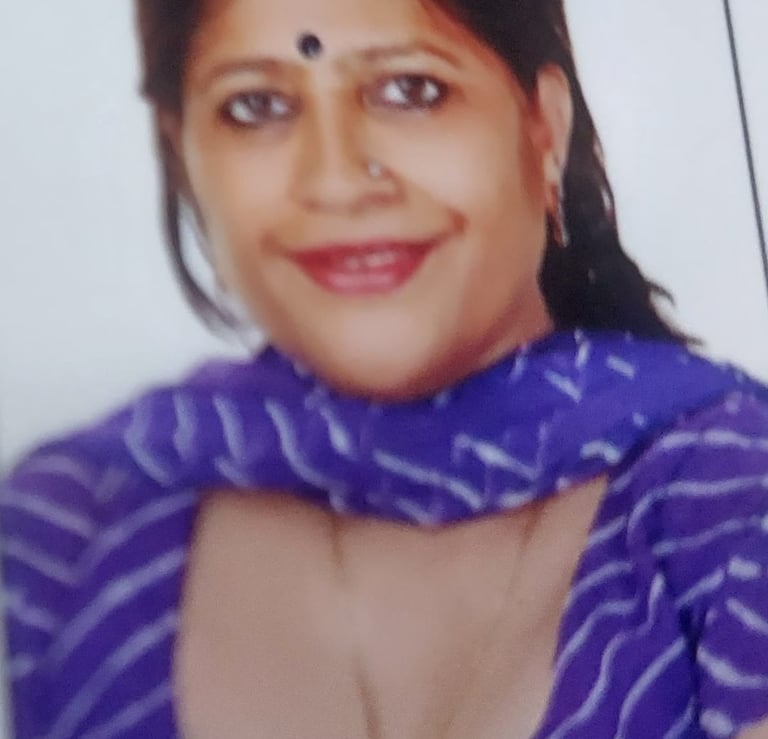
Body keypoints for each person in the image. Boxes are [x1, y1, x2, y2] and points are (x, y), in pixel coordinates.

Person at [2, 0, 768, 737]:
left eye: (411, 90)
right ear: (184, 157)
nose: (336, 178)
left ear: (545, 128)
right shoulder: (74, 532)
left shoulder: (729, 498)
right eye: (256, 106)